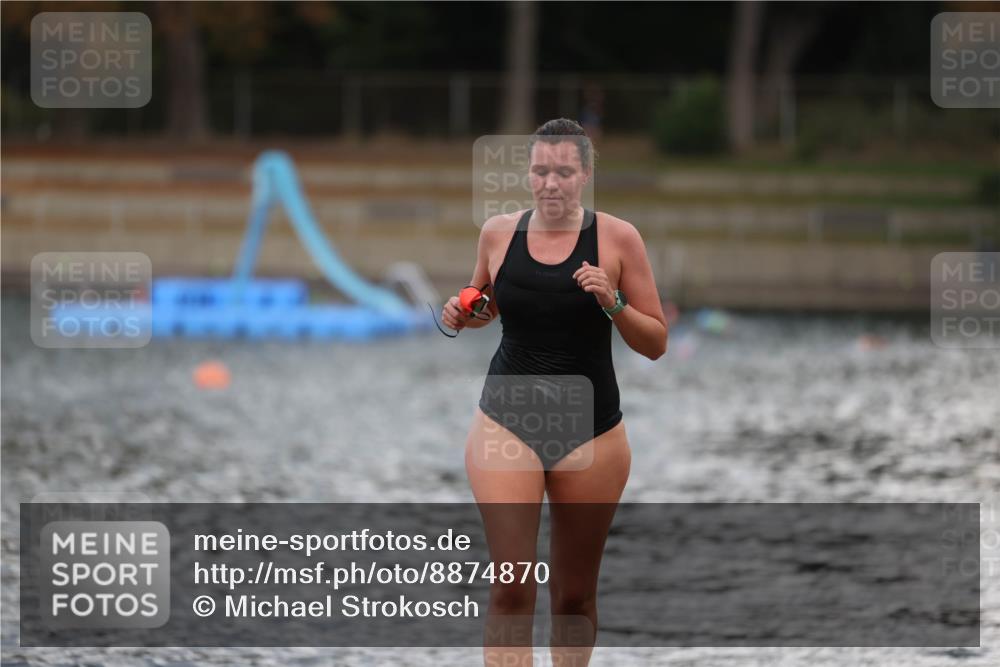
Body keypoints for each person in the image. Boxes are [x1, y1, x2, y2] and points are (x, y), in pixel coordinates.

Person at [440, 118, 667, 666]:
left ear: (585, 175)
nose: (550, 183)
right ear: (528, 174)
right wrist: (463, 312)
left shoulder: (618, 238)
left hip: (591, 429)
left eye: (564, 172)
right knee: (512, 586)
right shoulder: (497, 232)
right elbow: (484, 301)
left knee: (572, 596)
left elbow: (656, 342)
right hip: (506, 419)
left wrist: (612, 303)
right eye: (540, 171)